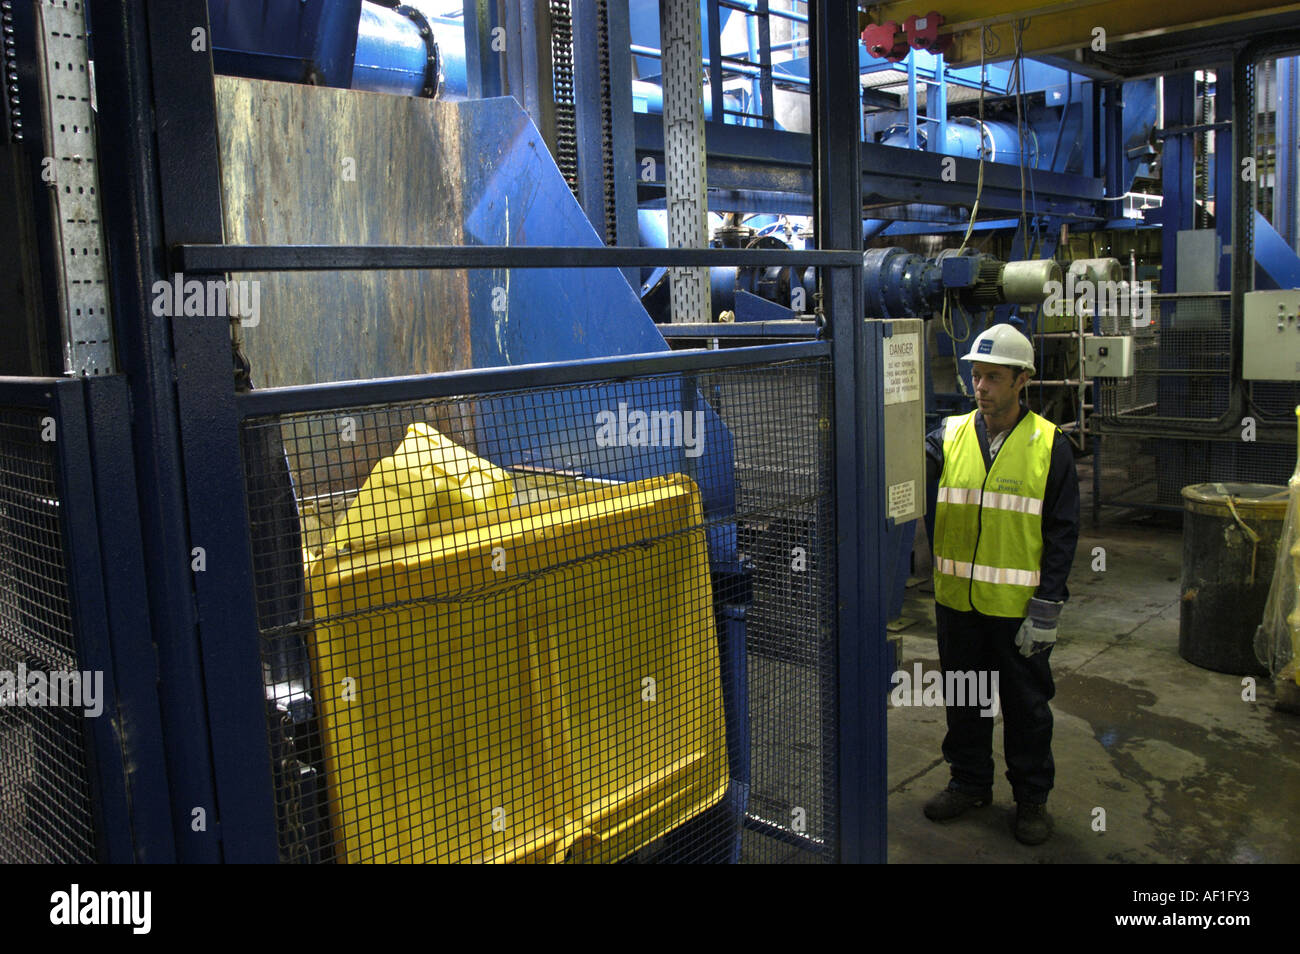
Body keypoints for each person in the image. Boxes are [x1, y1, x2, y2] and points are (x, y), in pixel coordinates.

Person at [921, 323, 1079, 845]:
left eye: (993, 377)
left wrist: (1048, 604)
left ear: (1022, 381)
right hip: (957, 602)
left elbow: (1062, 530)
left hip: (1017, 608)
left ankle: (1031, 800)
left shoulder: (1049, 445)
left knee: (1025, 707)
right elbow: (913, 491)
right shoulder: (948, 437)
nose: (980, 387)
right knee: (965, 699)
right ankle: (968, 783)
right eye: (976, 375)